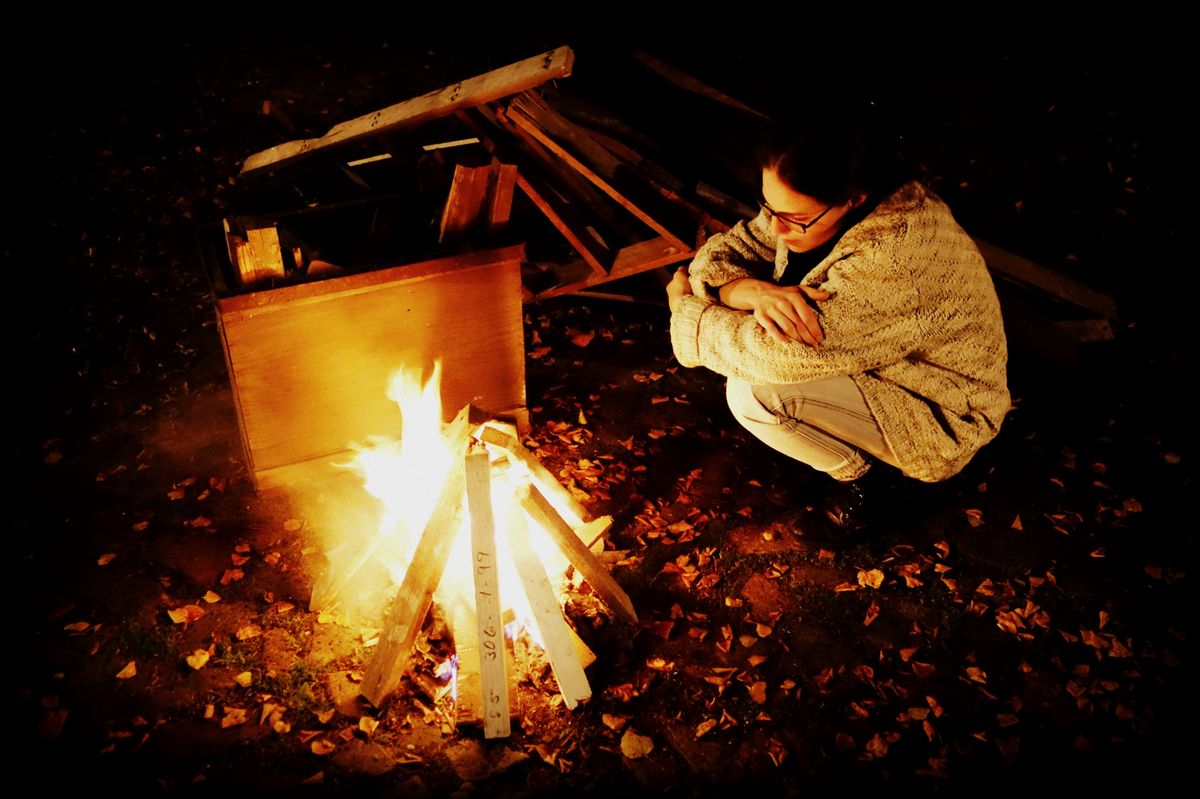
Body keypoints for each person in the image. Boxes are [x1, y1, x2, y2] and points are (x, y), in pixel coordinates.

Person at [666, 111, 1010, 534]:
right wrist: (745, 291)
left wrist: (690, 316)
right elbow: (728, 250)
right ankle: (822, 450)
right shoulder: (808, 207)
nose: (775, 227)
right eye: (767, 206)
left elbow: (778, 356)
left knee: (756, 392)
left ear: (855, 198)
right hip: (870, 363)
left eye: (793, 218)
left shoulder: (897, 257)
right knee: (750, 344)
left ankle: (873, 484)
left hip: (939, 407)